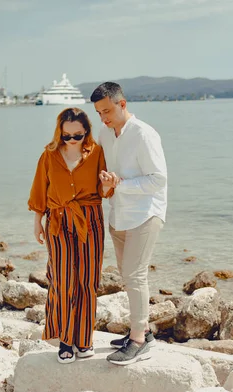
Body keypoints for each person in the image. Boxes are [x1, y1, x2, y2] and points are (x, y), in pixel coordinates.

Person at [28, 107, 114, 364]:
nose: (72, 140)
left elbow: (104, 189)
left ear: (86, 131)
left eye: (77, 135)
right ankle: (65, 339)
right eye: (67, 136)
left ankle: (84, 340)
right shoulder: (49, 155)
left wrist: (108, 186)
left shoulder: (97, 152)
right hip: (57, 221)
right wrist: (37, 222)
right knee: (63, 280)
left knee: (88, 281)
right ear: (60, 133)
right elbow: (39, 189)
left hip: (90, 220)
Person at [91, 82, 167, 365]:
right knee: (127, 275)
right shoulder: (104, 133)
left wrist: (120, 184)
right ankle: (143, 331)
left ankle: (138, 340)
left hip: (145, 214)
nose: (104, 118)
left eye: (107, 111)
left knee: (135, 275)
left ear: (122, 104)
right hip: (118, 213)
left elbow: (158, 179)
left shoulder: (145, 134)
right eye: (99, 113)